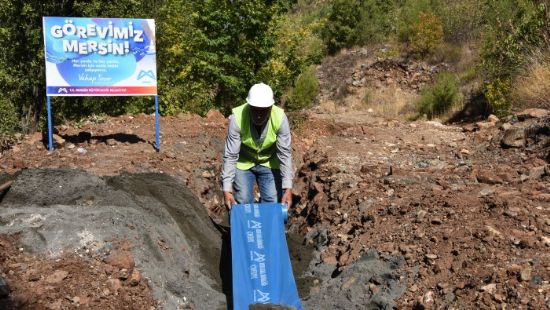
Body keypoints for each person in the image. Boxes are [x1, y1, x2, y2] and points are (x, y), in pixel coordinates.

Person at [221, 83, 293, 210]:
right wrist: (227, 189)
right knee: (243, 200)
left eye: (263, 110)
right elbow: (231, 155)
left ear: (271, 108)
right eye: (255, 109)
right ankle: (244, 228)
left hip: (269, 162)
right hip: (243, 163)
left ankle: (268, 228)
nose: (259, 114)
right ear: (249, 106)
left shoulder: (280, 118)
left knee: (273, 201)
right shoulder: (237, 118)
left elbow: (285, 154)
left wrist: (288, 187)